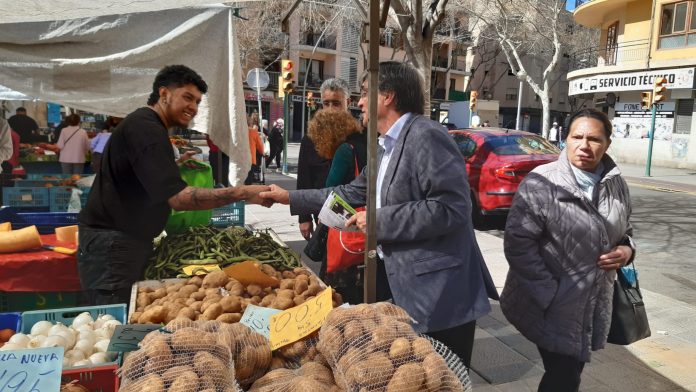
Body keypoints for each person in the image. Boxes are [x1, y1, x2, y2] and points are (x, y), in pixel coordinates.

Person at [261, 62, 498, 366]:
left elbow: (451, 208)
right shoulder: (385, 145)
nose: (358, 102)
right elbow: (349, 192)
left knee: (443, 380)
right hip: (410, 289)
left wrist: (377, 221)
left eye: (363, 93)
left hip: (442, 297)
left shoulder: (427, 135)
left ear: (387, 96)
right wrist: (288, 198)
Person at [78, 65, 271, 306]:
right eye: (187, 97)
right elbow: (180, 199)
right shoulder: (147, 129)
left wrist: (172, 165)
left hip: (120, 241)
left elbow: (138, 173)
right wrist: (242, 192)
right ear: (164, 94)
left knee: (124, 319)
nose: (193, 107)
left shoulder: (144, 124)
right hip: (112, 247)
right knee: (113, 322)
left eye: (198, 101)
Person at [501, 108, 635, 392]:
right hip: (551, 303)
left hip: (593, 302)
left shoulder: (616, 184)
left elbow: (626, 231)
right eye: (577, 137)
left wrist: (626, 251)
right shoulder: (542, 181)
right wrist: (550, 294)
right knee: (564, 377)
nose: (584, 146)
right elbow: (518, 244)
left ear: (607, 144)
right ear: (565, 139)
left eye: (594, 139)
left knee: (567, 374)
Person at [307, 109, 367, 304]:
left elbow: (330, 190)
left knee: (338, 296)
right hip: (366, 233)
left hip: (345, 233)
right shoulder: (368, 143)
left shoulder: (345, 150)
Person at [296, 78, 351, 240]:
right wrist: (303, 217)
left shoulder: (359, 135)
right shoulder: (310, 138)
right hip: (320, 211)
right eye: (326, 103)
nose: (330, 109)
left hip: (353, 212)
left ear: (348, 102)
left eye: (336, 103)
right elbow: (304, 179)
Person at [244, 114, 265, 185]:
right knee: (248, 180)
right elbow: (260, 146)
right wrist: (263, 153)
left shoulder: (238, 131)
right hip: (250, 159)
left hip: (239, 158)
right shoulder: (253, 132)